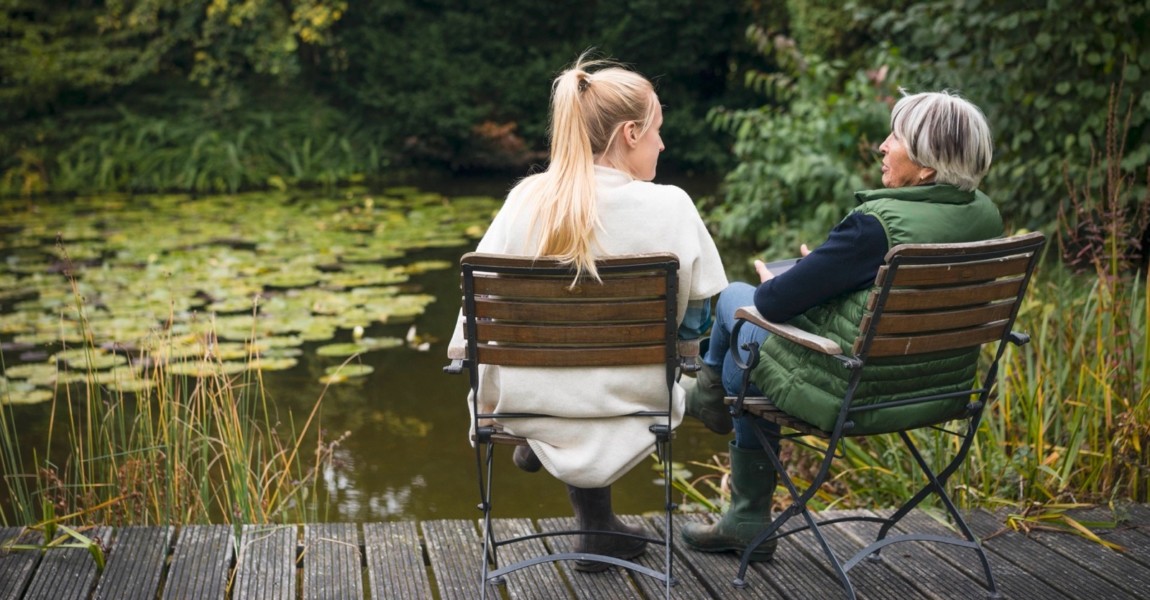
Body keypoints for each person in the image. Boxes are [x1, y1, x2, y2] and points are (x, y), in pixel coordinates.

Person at [680, 90, 1004, 562]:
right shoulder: (984, 215)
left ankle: (714, 421)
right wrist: (829, 274)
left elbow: (771, 303)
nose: (883, 146)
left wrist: (785, 280)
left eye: (896, 138)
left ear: (928, 168)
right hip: (938, 390)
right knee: (742, 364)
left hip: (850, 388)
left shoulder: (876, 226)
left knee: (737, 304)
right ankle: (727, 447)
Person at [448, 52, 728, 571]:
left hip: (526, 396)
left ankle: (557, 463)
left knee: (562, 373)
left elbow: (477, 305)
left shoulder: (526, 200)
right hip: (632, 397)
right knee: (642, 371)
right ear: (629, 133)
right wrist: (682, 348)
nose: (662, 144)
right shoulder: (670, 206)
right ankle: (593, 520)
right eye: (656, 131)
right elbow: (696, 317)